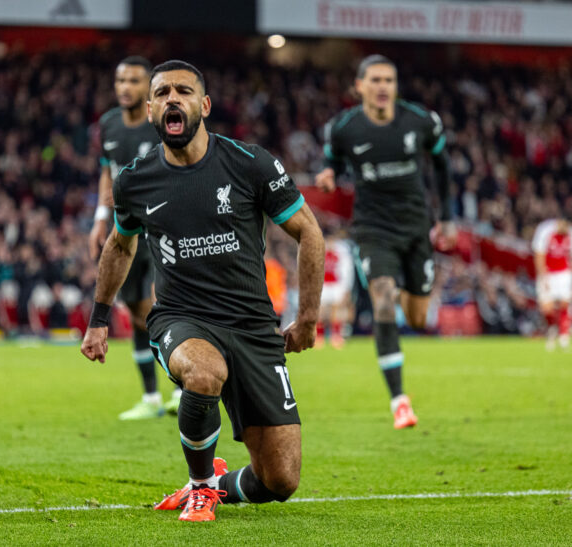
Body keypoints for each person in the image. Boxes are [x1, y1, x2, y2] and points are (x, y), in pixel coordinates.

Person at [81, 60, 324, 522]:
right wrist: (98, 320)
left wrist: (308, 316)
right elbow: (119, 245)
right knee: (204, 372)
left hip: (254, 327)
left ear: (204, 105)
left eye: (184, 91)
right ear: (151, 110)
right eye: (163, 93)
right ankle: (199, 487)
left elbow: (309, 233)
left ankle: (217, 484)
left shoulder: (251, 164)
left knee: (280, 480)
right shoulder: (133, 180)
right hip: (180, 318)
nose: (173, 98)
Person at [316, 55, 456, 429]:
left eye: (389, 81)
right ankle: (399, 401)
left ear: (395, 87)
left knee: (416, 317)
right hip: (373, 229)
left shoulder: (421, 122)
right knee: (381, 297)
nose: (382, 87)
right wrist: (329, 174)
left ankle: (403, 302)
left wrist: (447, 218)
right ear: (359, 86)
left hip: (415, 228)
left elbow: (443, 165)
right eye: (375, 80)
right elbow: (331, 161)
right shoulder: (344, 128)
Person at [87, 56, 169, 420]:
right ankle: (152, 397)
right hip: (126, 229)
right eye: (120, 80)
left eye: (134, 81)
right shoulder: (108, 124)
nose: (125, 87)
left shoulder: (161, 123)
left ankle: (188, 387)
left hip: (162, 227)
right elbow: (108, 171)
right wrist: (100, 218)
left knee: (160, 305)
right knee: (137, 312)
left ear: (148, 87)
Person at [532, 217, 572, 350]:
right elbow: (539, 255)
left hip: (565, 274)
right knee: (547, 307)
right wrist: (543, 278)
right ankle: (552, 328)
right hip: (549, 272)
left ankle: (564, 336)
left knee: (565, 303)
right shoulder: (544, 230)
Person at [319, 234, 353, 349]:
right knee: (321, 310)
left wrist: (346, 287)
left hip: (336, 284)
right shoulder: (319, 249)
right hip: (323, 284)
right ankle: (319, 336)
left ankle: (336, 336)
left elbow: (346, 270)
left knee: (337, 309)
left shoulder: (341, 251)